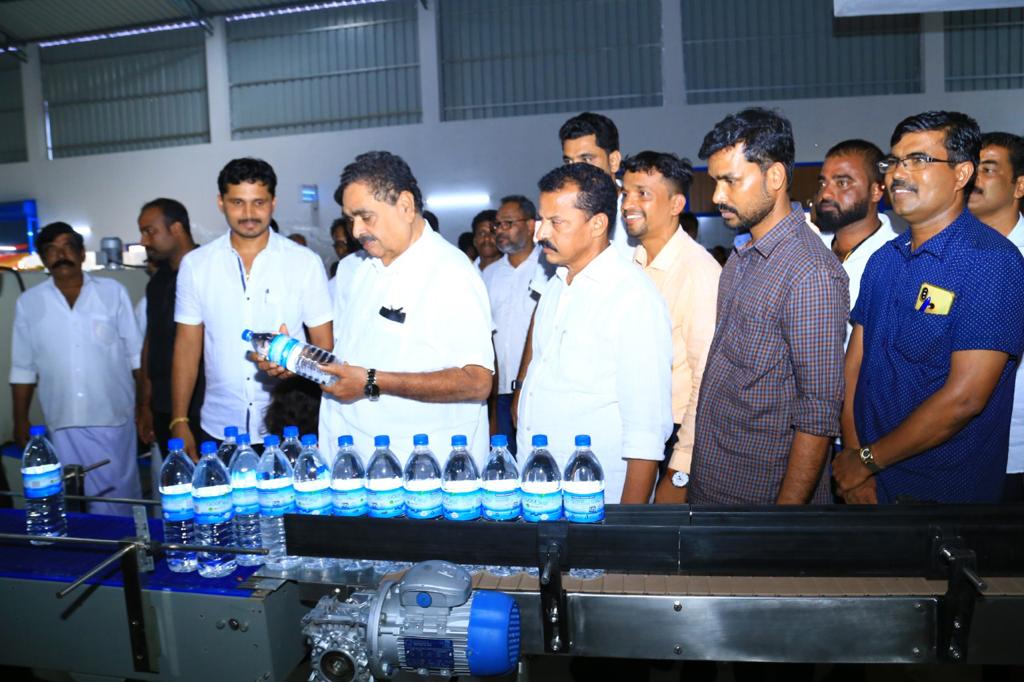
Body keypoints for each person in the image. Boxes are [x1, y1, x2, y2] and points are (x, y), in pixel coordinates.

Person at [835, 112, 1024, 504]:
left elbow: (965, 397)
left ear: (961, 174)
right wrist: (855, 460)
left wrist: (867, 460)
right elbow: (853, 368)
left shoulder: (991, 262)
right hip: (866, 483)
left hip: (941, 495)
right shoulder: (884, 260)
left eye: (918, 160)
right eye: (894, 161)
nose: (898, 173)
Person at [689, 108, 849, 505]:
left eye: (730, 181)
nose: (717, 196)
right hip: (714, 484)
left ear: (774, 177)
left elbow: (818, 414)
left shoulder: (809, 272)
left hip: (762, 499)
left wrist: (783, 523)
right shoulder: (742, 259)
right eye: (715, 182)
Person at [316, 151, 494, 466]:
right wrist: (295, 358)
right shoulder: (358, 270)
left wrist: (372, 381)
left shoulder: (450, 272)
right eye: (350, 219)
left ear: (406, 206)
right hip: (356, 456)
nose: (356, 231)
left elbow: (477, 381)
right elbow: (350, 357)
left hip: (422, 465)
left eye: (366, 217)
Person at [517, 163, 672, 503]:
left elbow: (646, 432)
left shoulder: (632, 297)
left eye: (556, 222)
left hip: (598, 501)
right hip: (543, 492)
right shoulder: (557, 286)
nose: (540, 234)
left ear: (598, 224)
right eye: (542, 220)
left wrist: (627, 526)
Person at [172, 158, 333, 458]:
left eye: (258, 202)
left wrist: (296, 364)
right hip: (220, 426)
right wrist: (179, 419)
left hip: (293, 422)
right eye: (237, 202)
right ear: (221, 202)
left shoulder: (304, 262)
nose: (248, 214)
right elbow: (186, 347)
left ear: (273, 203)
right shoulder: (196, 265)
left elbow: (325, 347)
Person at [10, 222, 143, 515]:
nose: (61, 255)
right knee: (74, 500)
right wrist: (19, 420)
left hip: (112, 418)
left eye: (68, 247)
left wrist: (145, 407)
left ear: (82, 254)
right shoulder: (29, 303)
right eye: (52, 250)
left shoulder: (113, 292)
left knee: (121, 502)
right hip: (63, 420)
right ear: (43, 258)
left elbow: (136, 356)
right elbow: (22, 368)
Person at [619, 152, 721, 504]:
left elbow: (706, 379)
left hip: (674, 438)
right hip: (633, 428)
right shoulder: (628, 265)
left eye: (643, 194)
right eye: (625, 194)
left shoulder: (698, 272)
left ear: (676, 204)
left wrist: (680, 471)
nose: (628, 204)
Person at [968, 132, 1024, 501]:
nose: (974, 179)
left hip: (1017, 451)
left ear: (1019, 185)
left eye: (987, 170)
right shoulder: (946, 252)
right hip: (951, 448)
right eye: (972, 168)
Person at [481, 195, 553, 453]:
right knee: (504, 458)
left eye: (508, 223)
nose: (500, 231)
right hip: (498, 389)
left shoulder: (548, 268)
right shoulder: (489, 274)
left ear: (531, 225)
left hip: (538, 388)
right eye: (497, 225)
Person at [814, 139, 901, 346]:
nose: (826, 194)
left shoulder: (897, 258)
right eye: (823, 183)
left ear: (876, 191)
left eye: (842, 183)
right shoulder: (809, 246)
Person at [135, 198, 204, 451]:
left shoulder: (209, 270)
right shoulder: (157, 282)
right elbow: (151, 342)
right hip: (163, 405)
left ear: (176, 228)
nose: (143, 241)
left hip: (203, 405)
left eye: (149, 231)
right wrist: (144, 404)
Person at [559, 111, 635, 257]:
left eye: (586, 159)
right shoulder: (563, 215)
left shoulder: (639, 209)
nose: (575, 171)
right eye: (569, 162)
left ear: (613, 161)